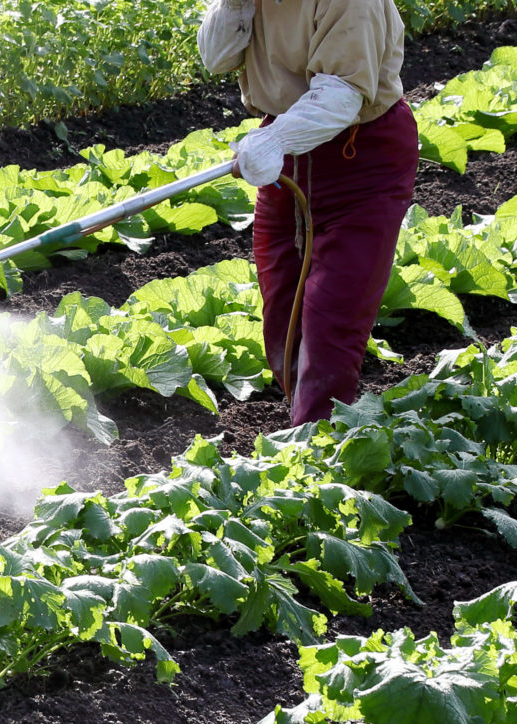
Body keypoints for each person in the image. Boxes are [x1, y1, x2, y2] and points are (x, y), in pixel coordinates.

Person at [198, 0, 418, 425]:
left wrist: (277, 139)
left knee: (331, 317)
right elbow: (217, 56)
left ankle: (315, 449)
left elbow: (343, 93)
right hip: (290, 156)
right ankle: (305, 421)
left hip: (360, 156)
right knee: (283, 308)